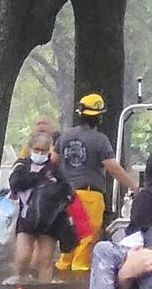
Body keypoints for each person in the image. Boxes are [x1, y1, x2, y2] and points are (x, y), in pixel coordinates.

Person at [53, 92, 138, 272]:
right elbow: (112, 167)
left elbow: (52, 161)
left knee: (69, 235)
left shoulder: (65, 136)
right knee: (87, 236)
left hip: (66, 195)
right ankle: (79, 278)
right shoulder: (100, 140)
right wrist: (134, 186)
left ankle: (62, 271)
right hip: (89, 195)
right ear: (98, 116)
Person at [7, 130, 76, 284]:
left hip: (50, 221)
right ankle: (18, 285)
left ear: (49, 150)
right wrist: (39, 178)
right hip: (27, 218)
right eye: (36, 150)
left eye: (43, 150)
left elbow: (67, 190)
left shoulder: (55, 169)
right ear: (30, 148)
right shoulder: (22, 165)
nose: (40, 153)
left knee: (45, 259)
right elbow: (15, 183)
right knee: (23, 256)